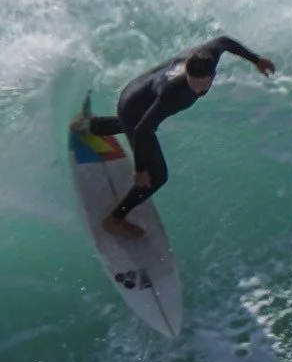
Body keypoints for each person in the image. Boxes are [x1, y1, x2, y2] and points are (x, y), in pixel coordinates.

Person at [75, 35, 275, 238]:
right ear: (187, 73)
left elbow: (224, 41)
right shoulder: (173, 94)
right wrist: (140, 169)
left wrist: (256, 60)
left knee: (143, 123)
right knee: (157, 176)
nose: (197, 89)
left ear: (212, 74)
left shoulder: (205, 56)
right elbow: (141, 131)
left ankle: (89, 126)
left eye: (203, 84)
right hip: (133, 108)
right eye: (193, 83)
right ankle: (114, 220)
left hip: (137, 90)